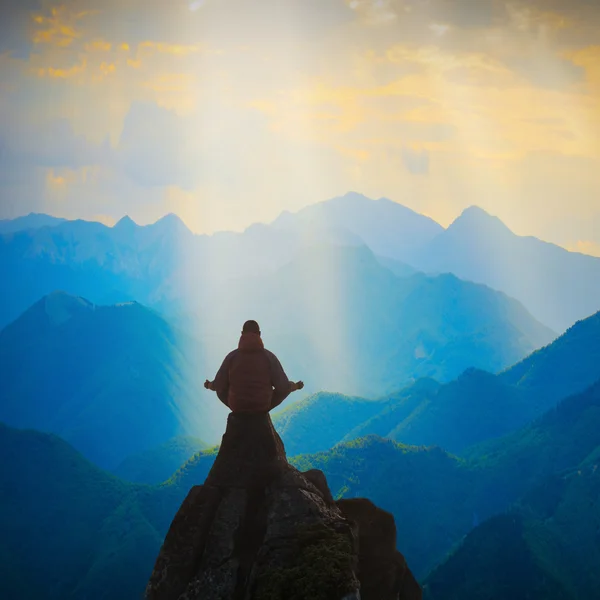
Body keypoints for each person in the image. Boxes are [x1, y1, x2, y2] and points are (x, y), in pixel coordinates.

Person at [204, 320, 304, 413]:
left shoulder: (232, 357)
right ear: (259, 334)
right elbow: (282, 387)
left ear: (242, 334)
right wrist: (295, 386)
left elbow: (218, 384)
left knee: (220, 390)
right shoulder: (269, 357)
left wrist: (209, 385)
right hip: (262, 406)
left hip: (237, 406)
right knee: (284, 389)